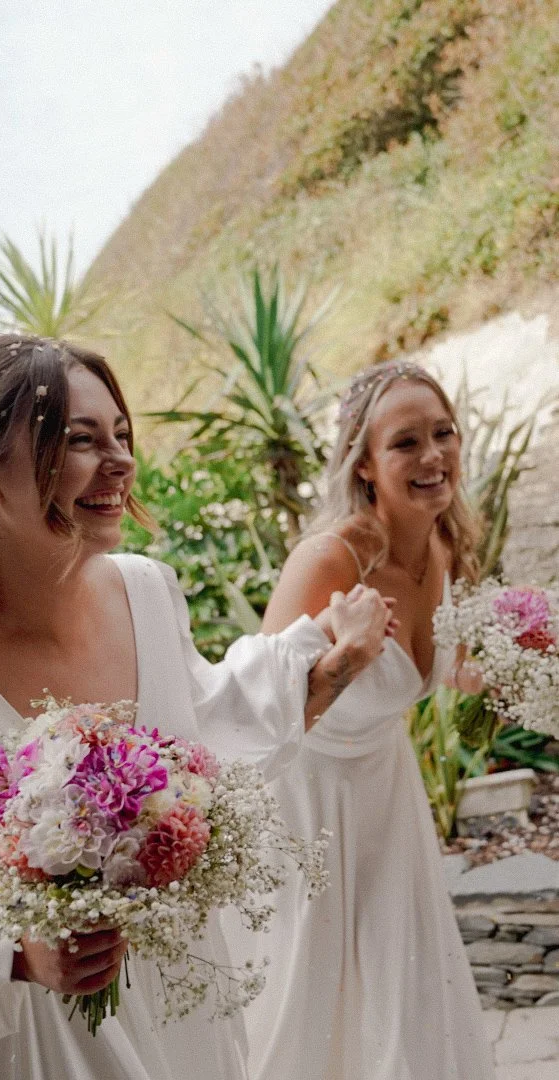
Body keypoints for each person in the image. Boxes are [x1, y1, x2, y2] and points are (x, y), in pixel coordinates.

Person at [0, 335, 394, 1080]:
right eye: (78, 440)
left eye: (120, 434)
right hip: (30, 1052)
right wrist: (14, 952)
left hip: (181, 1030)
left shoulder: (147, 590)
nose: (118, 461)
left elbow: (209, 732)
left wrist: (331, 663)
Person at [238, 360, 494, 1079]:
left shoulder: (445, 548)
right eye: (405, 442)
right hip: (305, 805)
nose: (432, 456)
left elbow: (454, 672)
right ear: (364, 465)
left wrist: (511, 667)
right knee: (305, 996)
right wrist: (346, 656)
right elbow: (257, 710)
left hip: (387, 794)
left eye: (442, 433)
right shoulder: (329, 560)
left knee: (404, 984)